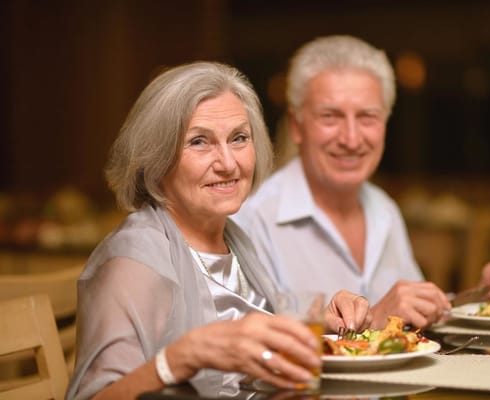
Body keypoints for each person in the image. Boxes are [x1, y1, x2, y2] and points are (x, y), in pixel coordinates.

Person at [66, 61, 372, 400]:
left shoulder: (235, 240)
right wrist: (178, 360)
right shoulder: (134, 262)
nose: (228, 163)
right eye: (200, 142)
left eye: (239, 138)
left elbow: (241, 363)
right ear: (156, 158)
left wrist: (319, 325)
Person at [234, 35, 490, 329]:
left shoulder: (383, 208)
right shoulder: (253, 218)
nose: (351, 139)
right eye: (330, 116)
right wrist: (373, 320)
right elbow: (249, 352)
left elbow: (414, 314)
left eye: (367, 117)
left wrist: (480, 299)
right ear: (297, 126)